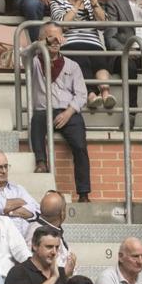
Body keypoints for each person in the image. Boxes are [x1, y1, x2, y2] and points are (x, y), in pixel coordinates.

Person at [28, 24, 90, 201]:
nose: (55, 41)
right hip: (43, 110)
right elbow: (21, 55)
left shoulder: (72, 65)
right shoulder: (33, 61)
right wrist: (38, 45)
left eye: (59, 37)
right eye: (50, 37)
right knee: (37, 121)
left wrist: (69, 113)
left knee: (80, 146)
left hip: (67, 111)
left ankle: (84, 193)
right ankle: (41, 162)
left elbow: (81, 95)